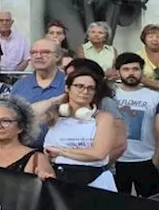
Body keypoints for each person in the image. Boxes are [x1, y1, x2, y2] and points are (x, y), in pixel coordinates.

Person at [42, 66, 117, 191]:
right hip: (58, 177)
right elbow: (27, 115)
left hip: (95, 179)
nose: (85, 91)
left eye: (90, 88)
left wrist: (60, 151)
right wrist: (53, 101)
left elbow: (98, 153)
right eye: (79, 86)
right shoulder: (55, 115)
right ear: (67, 87)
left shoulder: (103, 117)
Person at [112, 52, 160, 197]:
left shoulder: (155, 96)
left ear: (142, 71)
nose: (131, 73)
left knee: (151, 207)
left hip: (147, 159)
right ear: (118, 72)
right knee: (117, 206)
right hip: (116, 160)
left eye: (135, 69)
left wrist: (157, 156)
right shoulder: (110, 96)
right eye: (126, 69)